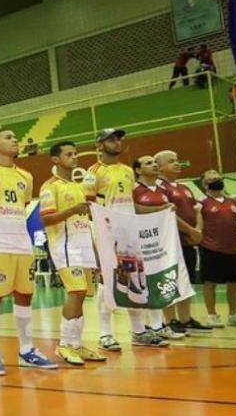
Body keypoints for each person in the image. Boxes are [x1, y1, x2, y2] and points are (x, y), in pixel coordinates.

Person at [0, 129, 57, 371]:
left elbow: (21, 206)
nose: (15, 140)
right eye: (9, 138)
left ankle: (26, 349)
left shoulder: (25, 176)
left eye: (15, 136)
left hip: (22, 244)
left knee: (25, 294)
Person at [39, 142, 106, 365]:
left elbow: (86, 223)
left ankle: (76, 344)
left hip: (83, 244)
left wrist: (96, 254)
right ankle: (64, 344)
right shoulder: (50, 186)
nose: (74, 157)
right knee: (75, 291)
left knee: (83, 294)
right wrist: (71, 210)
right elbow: (45, 219)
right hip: (64, 246)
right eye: (69, 154)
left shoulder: (78, 187)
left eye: (76, 153)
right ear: (56, 160)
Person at [83, 128, 148, 350]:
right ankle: (105, 334)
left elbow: (131, 202)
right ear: (99, 145)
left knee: (134, 278)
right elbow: (89, 207)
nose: (118, 142)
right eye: (111, 139)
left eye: (120, 138)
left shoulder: (128, 171)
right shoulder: (93, 172)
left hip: (130, 232)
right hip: (108, 233)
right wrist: (101, 233)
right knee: (107, 280)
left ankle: (139, 330)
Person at [131, 156, 186, 341]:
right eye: (148, 163)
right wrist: (159, 210)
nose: (154, 165)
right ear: (138, 170)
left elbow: (169, 211)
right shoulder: (134, 190)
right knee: (143, 285)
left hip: (162, 244)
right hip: (142, 243)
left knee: (158, 283)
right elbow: (132, 209)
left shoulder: (163, 190)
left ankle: (158, 325)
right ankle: (144, 327)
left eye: (155, 162)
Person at [155, 150, 207, 333]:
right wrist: (191, 230)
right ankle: (170, 320)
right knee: (169, 281)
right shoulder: (159, 188)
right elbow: (168, 214)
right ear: (159, 167)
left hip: (188, 242)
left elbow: (197, 210)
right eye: (171, 161)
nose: (177, 164)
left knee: (187, 280)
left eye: (177, 160)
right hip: (170, 243)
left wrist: (198, 231)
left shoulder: (184, 187)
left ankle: (185, 319)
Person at [199, 171, 236, 328]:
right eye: (212, 179)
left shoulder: (232, 202)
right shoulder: (202, 203)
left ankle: (234, 315)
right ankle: (212, 316)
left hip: (233, 249)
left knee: (234, 282)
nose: (216, 181)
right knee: (210, 283)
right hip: (211, 248)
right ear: (205, 184)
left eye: (218, 178)